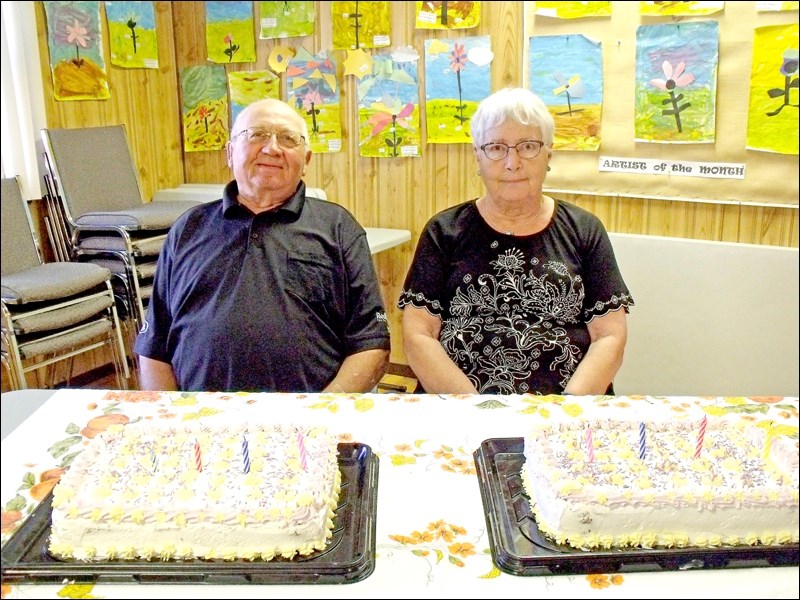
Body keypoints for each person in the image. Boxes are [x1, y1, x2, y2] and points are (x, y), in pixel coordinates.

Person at [135, 98, 390, 393]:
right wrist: (172, 421)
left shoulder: (339, 229)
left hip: (308, 422)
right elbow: (154, 346)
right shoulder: (187, 230)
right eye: (257, 134)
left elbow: (371, 344)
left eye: (288, 138)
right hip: (203, 423)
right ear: (230, 152)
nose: (272, 148)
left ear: (306, 160)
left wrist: (320, 416)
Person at [398, 87, 634, 396]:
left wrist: (562, 413)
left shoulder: (584, 230)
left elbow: (609, 336)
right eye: (496, 147)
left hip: (564, 411)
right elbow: (418, 334)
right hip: (459, 409)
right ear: (478, 156)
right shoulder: (444, 231)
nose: (512, 162)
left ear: (548, 153)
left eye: (527, 146)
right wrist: (476, 411)